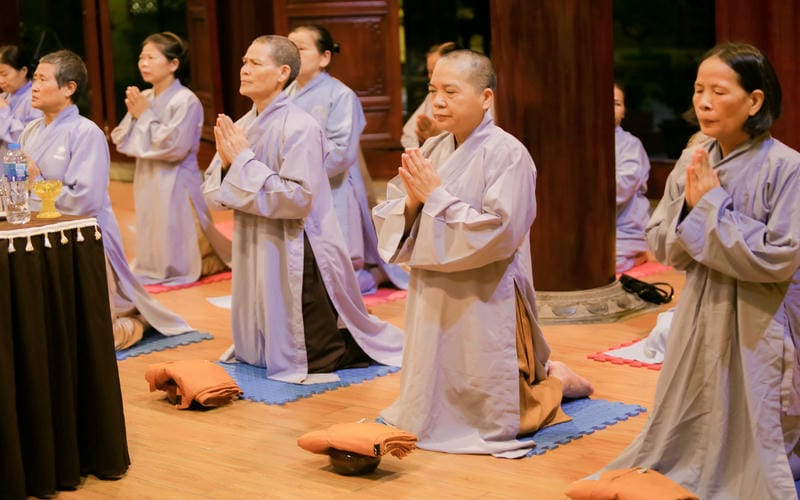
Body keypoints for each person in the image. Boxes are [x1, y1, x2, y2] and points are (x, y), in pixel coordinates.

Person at [596, 43, 800, 499]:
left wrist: (710, 207)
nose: (704, 102)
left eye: (718, 92)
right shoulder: (695, 158)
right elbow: (661, 241)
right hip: (701, 304)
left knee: (759, 415)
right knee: (697, 399)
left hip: (763, 313)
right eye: (698, 89)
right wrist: (695, 211)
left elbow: (781, 256)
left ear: (754, 101)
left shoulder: (787, 167)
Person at [373, 50, 593, 456]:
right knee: (435, 374)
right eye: (433, 91)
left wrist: (435, 198)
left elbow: (501, 232)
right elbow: (398, 209)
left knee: (502, 404)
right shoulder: (433, 148)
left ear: (486, 97)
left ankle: (558, 382)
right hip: (433, 287)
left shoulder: (508, 154)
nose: (438, 101)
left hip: (486, 291)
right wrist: (413, 202)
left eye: (451, 92)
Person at [202, 35, 403, 384]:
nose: (244, 70)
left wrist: (242, 162)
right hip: (254, 237)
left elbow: (297, 198)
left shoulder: (301, 126)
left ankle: (351, 344)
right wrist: (229, 165)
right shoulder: (242, 125)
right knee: (261, 336)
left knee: (313, 353)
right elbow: (214, 193)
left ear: (282, 73)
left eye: (255, 63)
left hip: (297, 242)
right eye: (244, 62)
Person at [22, 49, 193, 350]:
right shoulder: (31, 131)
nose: (34, 87)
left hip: (85, 237)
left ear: (69, 88)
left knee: (98, 341)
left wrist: (35, 182)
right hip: (38, 234)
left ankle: (140, 322)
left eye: (42, 79)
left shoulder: (86, 132)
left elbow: (84, 200)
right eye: (34, 79)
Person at [285, 24, 407, 295]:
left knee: (338, 279)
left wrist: (295, 166)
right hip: (294, 186)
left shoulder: (340, 95)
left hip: (333, 187)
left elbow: (341, 152)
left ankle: (373, 275)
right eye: (289, 48)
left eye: (301, 48)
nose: (293, 54)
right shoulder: (284, 94)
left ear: (325, 57)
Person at [111, 32, 231, 286]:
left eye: (151, 58)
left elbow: (174, 147)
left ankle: (195, 263)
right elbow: (121, 138)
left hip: (175, 176)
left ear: (173, 64)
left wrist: (144, 116)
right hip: (147, 173)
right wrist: (137, 115)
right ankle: (156, 265)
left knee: (177, 226)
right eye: (141, 57)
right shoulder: (146, 97)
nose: (144, 63)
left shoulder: (186, 100)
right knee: (151, 222)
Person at [613, 82, 651, 273]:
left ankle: (637, 257)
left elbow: (623, 187)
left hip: (624, 229)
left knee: (602, 267)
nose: (610, 108)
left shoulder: (631, 144)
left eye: (616, 103)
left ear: (624, 112)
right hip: (591, 228)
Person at [401, 42, 459, 149]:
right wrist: (424, 141)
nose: (431, 78)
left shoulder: (471, 98)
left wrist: (439, 137)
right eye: (430, 72)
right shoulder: (431, 96)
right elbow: (408, 135)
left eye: (435, 71)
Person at [0, 45, 42, 151]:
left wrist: (4, 110)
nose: (1, 80)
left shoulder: (35, 98)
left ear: (23, 71)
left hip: (22, 159)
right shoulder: (4, 96)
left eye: (4, 74)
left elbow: (27, 140)